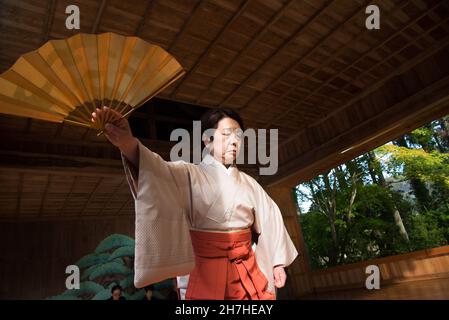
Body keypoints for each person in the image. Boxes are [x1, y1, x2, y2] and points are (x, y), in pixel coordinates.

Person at [92, 106, 298, 300]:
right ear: (207, 140)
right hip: (203, 271)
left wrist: (277, 263)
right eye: (227, 134)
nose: (235, 141)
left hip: (246, 269)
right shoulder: (188, 173)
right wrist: (128, 143)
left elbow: (272, 219)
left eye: (239, 136)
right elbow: (155, 171)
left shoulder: (249, 184)